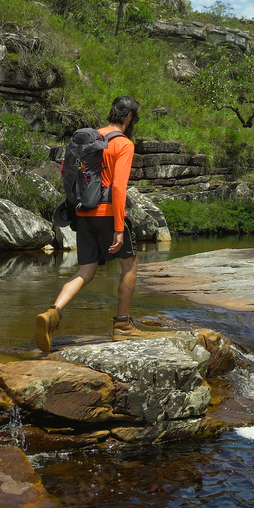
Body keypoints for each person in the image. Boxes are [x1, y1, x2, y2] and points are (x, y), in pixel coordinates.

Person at [35, 95, 163, 353]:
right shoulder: (123, 144)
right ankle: (123, 326)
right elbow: (117, 186)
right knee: (129, 265)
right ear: (128, 117)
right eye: (134, 118)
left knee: (86, 270)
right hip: (107, 213)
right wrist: (118, 227)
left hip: (83, 213)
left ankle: (53, 313)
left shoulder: (91, 137)